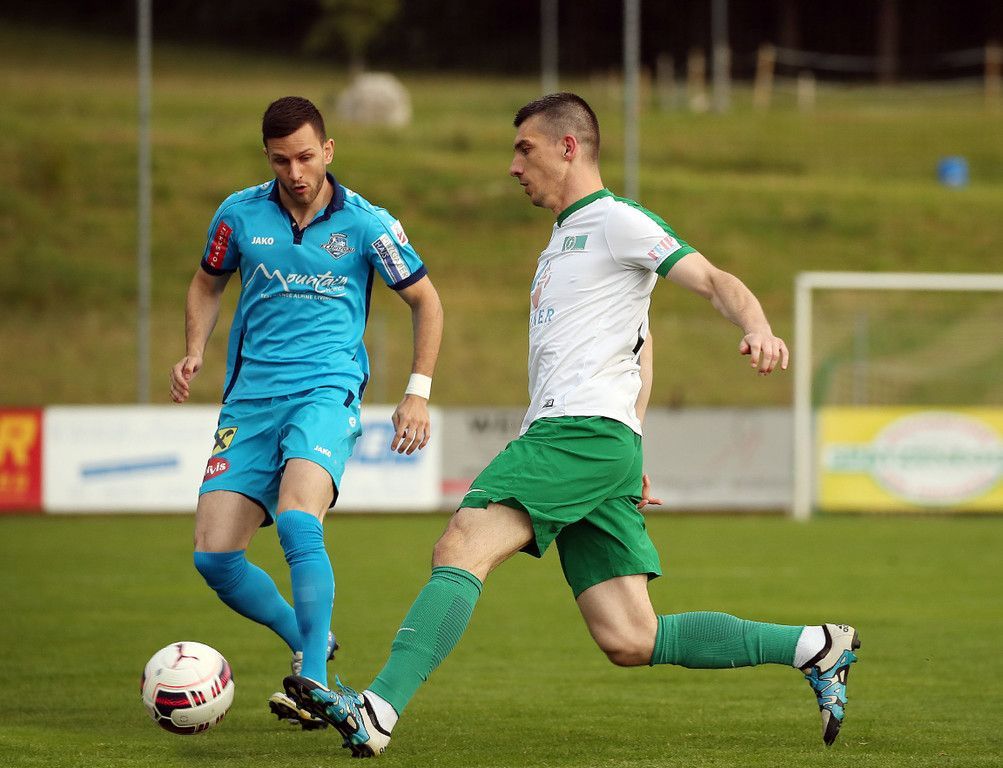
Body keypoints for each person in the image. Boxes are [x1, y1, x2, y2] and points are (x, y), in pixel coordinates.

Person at [283, 92, 858, 755]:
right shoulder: (561, 241)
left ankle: (377, 711)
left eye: (523, 149)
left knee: (462, 544)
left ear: (568, 147)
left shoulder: (617, 221)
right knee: (629, 636)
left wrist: (756, 325)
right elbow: (641, 345)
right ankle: (816, 646)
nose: (512, 166)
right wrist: (634, 442)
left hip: (576, 433)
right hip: (600, 441)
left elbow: (711, 278)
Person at [169, 96, 443, 729]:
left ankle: (313, 679)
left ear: (328, 150)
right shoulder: (238, 215)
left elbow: (426, 301)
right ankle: (308, 637)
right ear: (267, 158)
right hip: (248, 401)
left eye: (305, 157)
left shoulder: (368, 225)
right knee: (214, 557)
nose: (294, 172)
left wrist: (418, 390)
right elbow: (207, 282)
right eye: (280, 160)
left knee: (298, 519)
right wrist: (194, 349)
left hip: (326, 393)